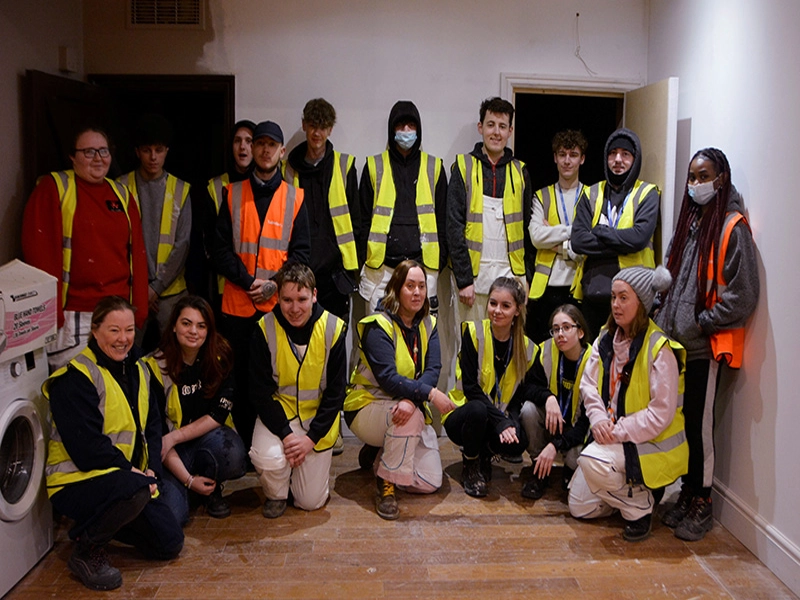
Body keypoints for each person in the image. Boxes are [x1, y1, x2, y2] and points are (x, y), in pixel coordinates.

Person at [43, 296, 183, 591]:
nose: (123, 339)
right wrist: (133, 474)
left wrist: (152, 472)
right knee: (134, 493)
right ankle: (86, 548)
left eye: (129, 330)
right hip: (76, 481)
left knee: (169, 541)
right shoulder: (74, 378)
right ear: (94, 331)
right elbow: (87, 449)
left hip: (125, 481)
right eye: (114, 331)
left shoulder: (140, 369)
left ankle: (109, 523)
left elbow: (153, 428)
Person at [655, 148, 759, 541]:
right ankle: (686, 491)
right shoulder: (689, 223)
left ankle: (703, 502)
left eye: (704, 176)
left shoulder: (732, 227)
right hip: (673, 347)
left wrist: (703, 322)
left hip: (702, 348)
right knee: (679, 425)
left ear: (721, 179)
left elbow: (744, 292)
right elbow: (669, 277)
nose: (696, 184)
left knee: (700, 428)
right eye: (692, 176)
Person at [212, 120, 311, 453]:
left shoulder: (295, 197)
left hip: (278, 308)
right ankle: (245, 449)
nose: (266, 150)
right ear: (252, 149)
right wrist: (247, 281)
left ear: (282, 152)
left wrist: (272, 285)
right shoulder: (232, 193)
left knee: (273, 381)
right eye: (260, 144)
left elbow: (301, 254)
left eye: (273, 145)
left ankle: (272, 443)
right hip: (237, 307)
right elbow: (220, 249)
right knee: (238, 380)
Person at [568, 266, 688, 542]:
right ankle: (633, 491)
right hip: (613, 435)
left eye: (624, 298)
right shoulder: (606, 338)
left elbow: (661, 414)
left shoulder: (660, 349)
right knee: (579, 506)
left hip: (650, 444)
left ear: (642, 303)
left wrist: (616, 431)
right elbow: (589, 384)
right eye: (613, 297)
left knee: (590, 461)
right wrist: (598, 420)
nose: (615, 305)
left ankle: (639, 505)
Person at [22, 126, 149, 371]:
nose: (98, 158)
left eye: (103, 151)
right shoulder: (54, 187)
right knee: (77, 390)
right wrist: (50, 314)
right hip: (74, 316)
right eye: (89, 152)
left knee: (113, 391)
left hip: (117, 311)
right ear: (73, 156)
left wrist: (139, 309)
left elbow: (137, 256)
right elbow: (40, 256)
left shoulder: (121, 193)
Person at [344, 260, 453, 520]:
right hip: (367, 407)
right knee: (411, 417)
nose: (417, 292)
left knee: (430, 481)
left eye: (422, 286)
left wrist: (413, 400)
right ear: (396, 289)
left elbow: (433, 371)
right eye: (410, 286)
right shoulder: (376, 324)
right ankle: (386, 483)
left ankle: (379, 455)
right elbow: (388, 379)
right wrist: (428, 396)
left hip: (406, 406)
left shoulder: (429, 323)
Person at [249, 263, 348, 518]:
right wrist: (286, 435)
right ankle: (277, 493)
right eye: (287, 300)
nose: (294, 308)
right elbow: (260, 392)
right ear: (278, 298)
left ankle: (297, 474)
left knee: (310, 502)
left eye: (302, 299)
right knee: (265, 458)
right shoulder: (264, 328)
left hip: (317, 422)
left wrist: (309, 440)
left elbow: (336, 395)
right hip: (279, 416)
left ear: (314, 295)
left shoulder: (333, 329)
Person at [145, 295, 247, 526]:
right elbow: (158, 440)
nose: (194, 331)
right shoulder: (153, 367)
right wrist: (189, 480)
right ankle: (191, 488)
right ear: (173, 325)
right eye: (186, 323)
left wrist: (176, 436)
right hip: (168, 454)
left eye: (201, 326)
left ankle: (211, 489)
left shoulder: (221, 357)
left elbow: (219, 415)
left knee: (234, 455)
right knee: (173, 517)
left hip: (204, 441)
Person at [444, 277, 535, 498]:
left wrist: (510, 423)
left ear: (517, 310)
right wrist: (502, 422)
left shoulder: (528, 347)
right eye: (493, 303)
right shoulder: (473, 332)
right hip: (463, 416)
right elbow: (470, 388)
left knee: (518, 442)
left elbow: (517, 398)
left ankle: (485, 453)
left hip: (495, 416)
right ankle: (471, 464)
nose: (497, 311)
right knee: (478, 409)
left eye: (505, 306)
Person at [447, 97, 533, 326]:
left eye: (502, 126)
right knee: (471, 347)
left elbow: (527, 230)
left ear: (510, 131)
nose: (496, 132)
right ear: (480, 127)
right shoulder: (462, 167)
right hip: (473, 282)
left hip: (512, 278)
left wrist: (527, 277)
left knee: (509, 349)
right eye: (491, 124)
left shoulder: (520, 172)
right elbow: (453, 227)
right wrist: (464, 280)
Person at [358, 100, 447, 313]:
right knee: (380, 340)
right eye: (400, 126)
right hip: (382, 272)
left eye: (411, 125)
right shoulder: (373, 165)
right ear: (392, 130)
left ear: (419, 129)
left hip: (423, 272)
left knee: (421, 341)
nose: (406, 131)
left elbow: (444, 222)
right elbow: (361, 221)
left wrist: (439, 261)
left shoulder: (434, 167)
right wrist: (366, 257)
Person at [571, 128, 660, 337]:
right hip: (594, 296)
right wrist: (621, 243)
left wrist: (601, 231)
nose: (618, 159)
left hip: (636, 294)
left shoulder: (648, 193)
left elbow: (638, 238)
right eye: (613, 153)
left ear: (635, 159)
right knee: (595, 363)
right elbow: (578, 241)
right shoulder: (590, 193)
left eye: (625, 154)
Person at [282, 98, 360, 322]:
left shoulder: (344, 166)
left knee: (335, 340)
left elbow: (357, 221)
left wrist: (349, 270)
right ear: (304, 125)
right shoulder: (287, 169)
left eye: (323, 126)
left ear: (330, 129)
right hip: (298, 272)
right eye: (313, 125)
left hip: (335, 275)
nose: (317, 132)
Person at [119, 114, 192, 350]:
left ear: (167, 151)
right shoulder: (120, 186)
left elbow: (182, 245)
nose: (153, 157)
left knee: (173, 357)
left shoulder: (180, 189)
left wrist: (155, 289)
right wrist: (142, 290)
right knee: (126, 354)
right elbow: (117, 243)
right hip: (130, 291)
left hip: (171, 293)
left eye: (158, 150)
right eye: (147, 150)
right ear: (137, 151)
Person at [520, 304, 591, 499]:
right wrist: (548, 397)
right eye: (556, 329)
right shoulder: (546, 351)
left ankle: (570, 472)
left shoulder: (593, 362)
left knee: (576, 458)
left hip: (579, 431)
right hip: (553, 423)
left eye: (567, 327)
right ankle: (539, 468)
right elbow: (528, 387)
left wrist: (555, 445)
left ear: (581, 332)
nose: (560, 334)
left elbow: (587, 422)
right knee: (528, 410)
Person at [527, 130, 588, 343]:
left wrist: (555, 241)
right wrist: (574, 231)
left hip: (579, 288)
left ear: (582, 159)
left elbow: (591, 243)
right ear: (555, 158)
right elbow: (536, 236)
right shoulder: (542, 196)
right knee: (542, 355)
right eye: (562, 154)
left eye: (573, 155)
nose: (567, 161)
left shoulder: (593, 196)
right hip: (545, 290)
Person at [191, 119, 256, 313]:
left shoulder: (265, 186)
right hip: (226, 285)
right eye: (237, 141)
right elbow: (209, 242)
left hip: (261, 287)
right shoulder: (216, 186)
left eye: (249, 141)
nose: (243, 147)